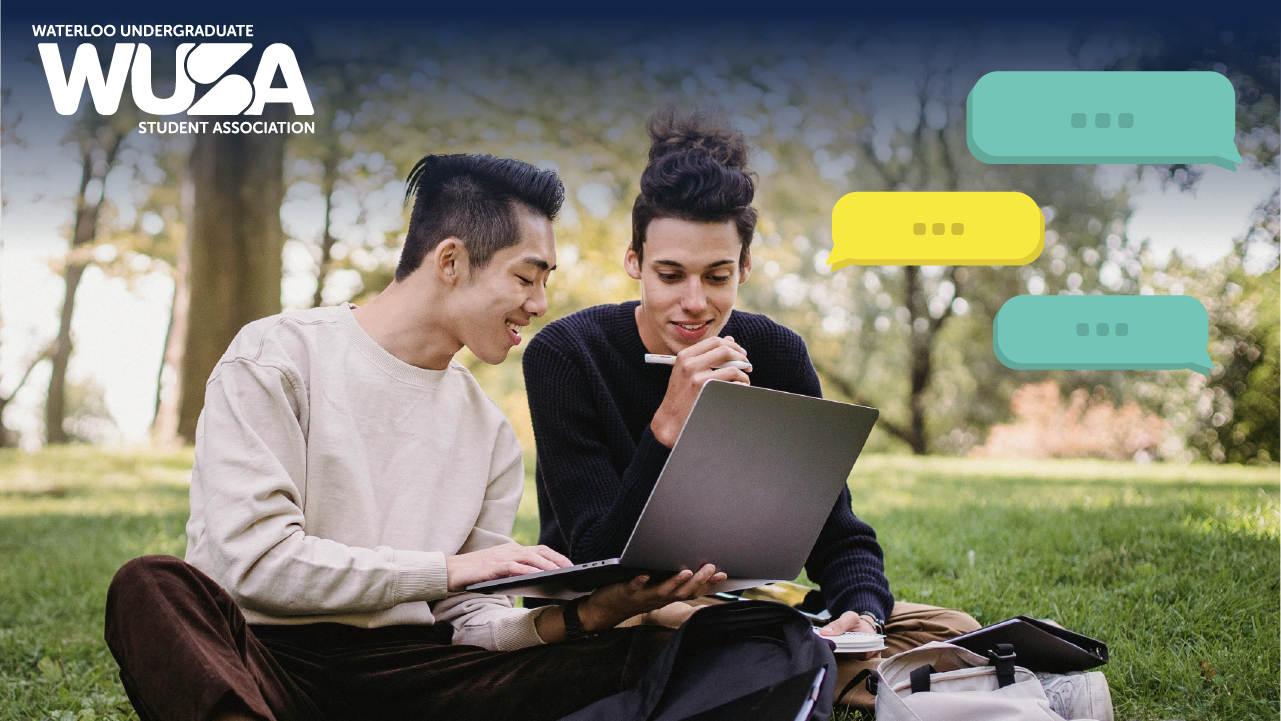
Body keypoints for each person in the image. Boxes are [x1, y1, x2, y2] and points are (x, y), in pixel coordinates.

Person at [102, 154, 729, 721]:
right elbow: (257, 566)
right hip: (265, 660)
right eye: (526, 277)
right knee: (151, 587)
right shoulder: (277, 357)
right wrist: (448, 569)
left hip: (418, 675)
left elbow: (470, 625)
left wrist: (592, 613)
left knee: (648, 650)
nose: (539, 304)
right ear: (451, 261)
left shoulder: (488, 431)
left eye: (546, 281)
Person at [521, 108, 982, 710]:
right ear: (634, 262)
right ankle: (863, 681)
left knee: (953, 628)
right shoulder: (567, 355)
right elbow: (594, 557)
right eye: (669, 275)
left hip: (745, 604)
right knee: (692, 634)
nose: (694, 303)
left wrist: (860, 614)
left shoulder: (778, 355)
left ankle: (830, 664)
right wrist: (668, 426)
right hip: (622, 616)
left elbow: (838, 533)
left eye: (717, 276)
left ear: (743, 268)